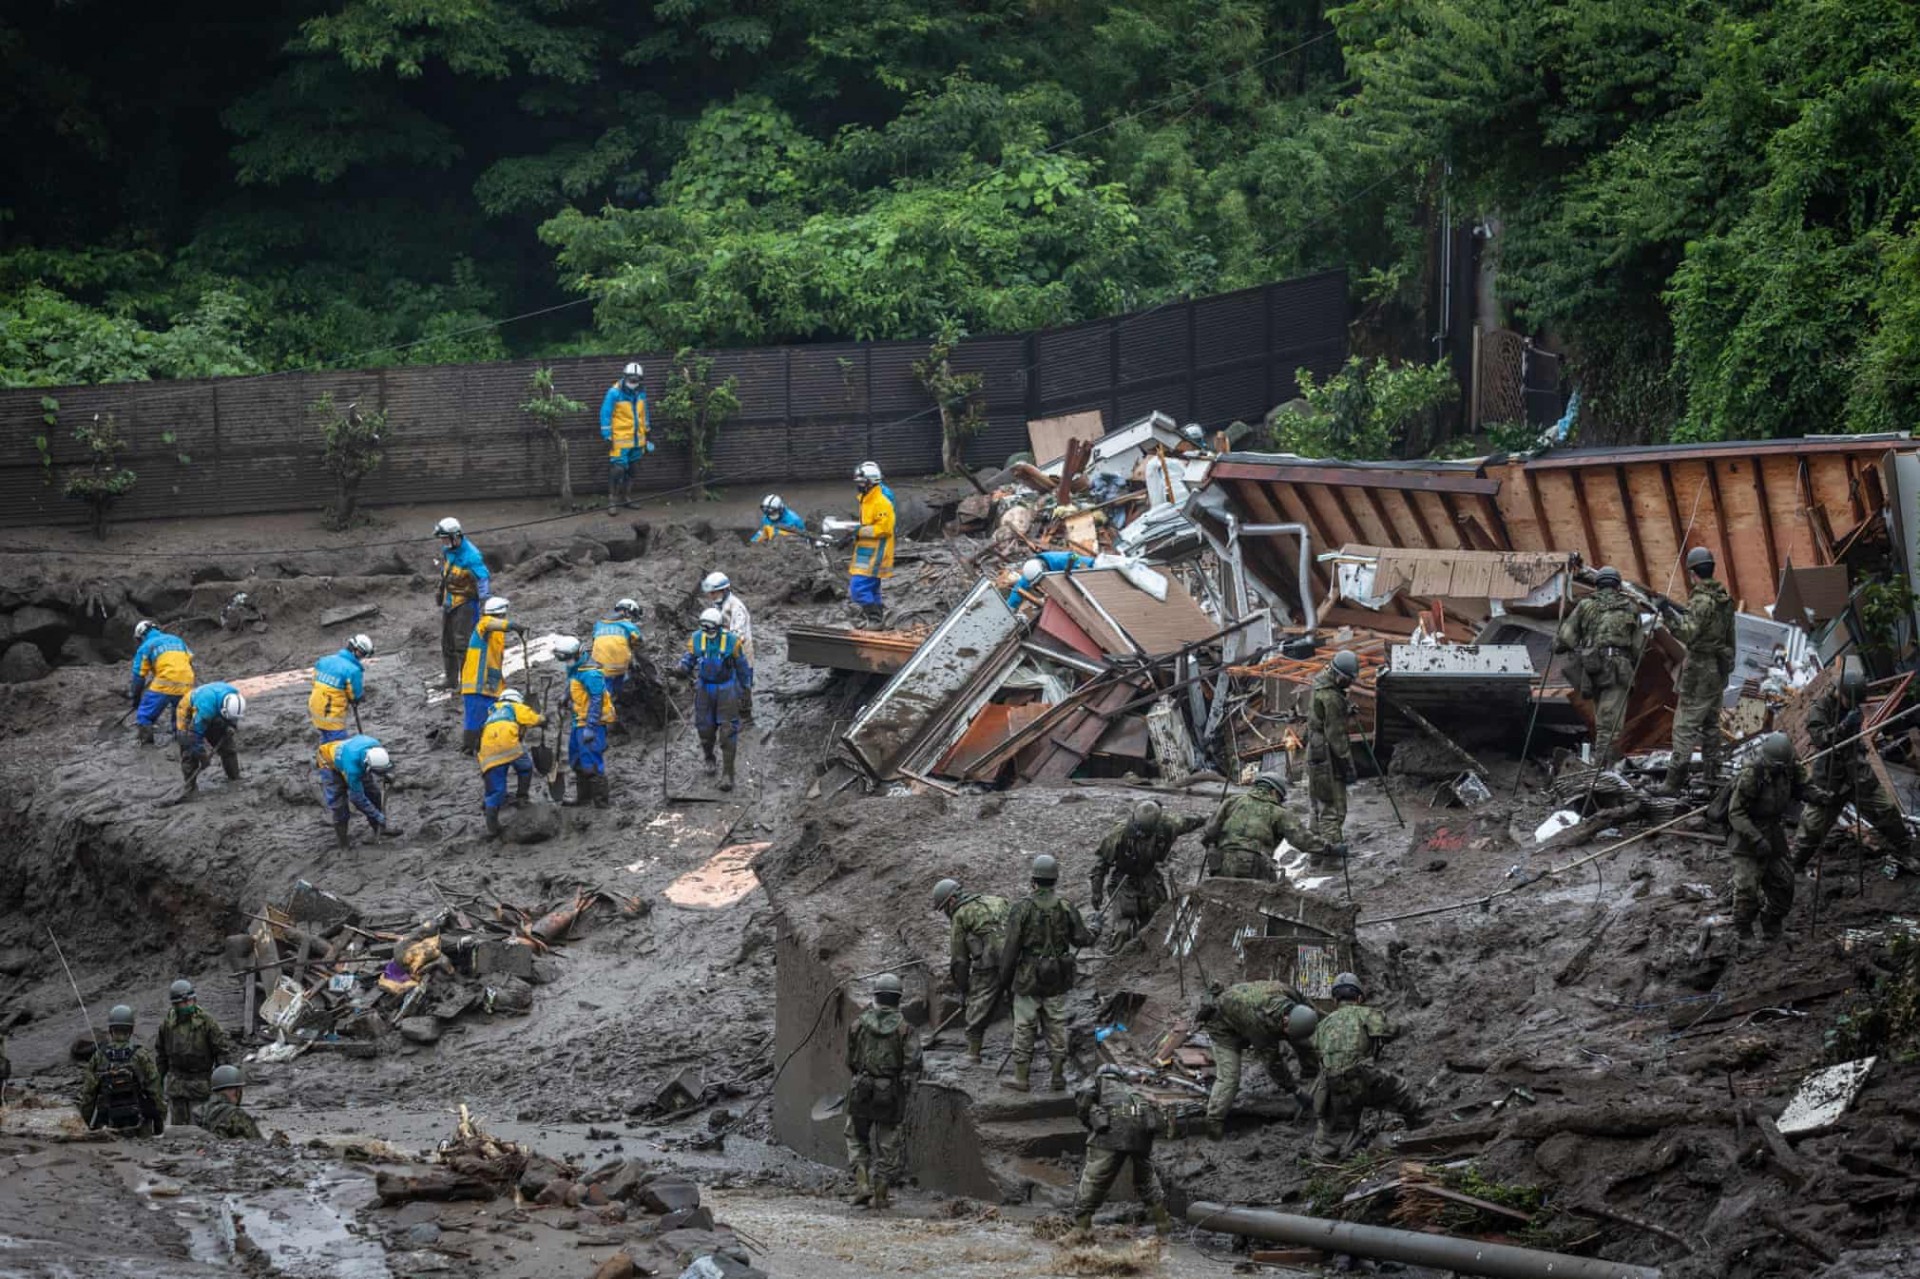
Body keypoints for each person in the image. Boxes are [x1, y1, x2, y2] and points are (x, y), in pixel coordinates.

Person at [1793, 668, 1918, 873]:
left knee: (1886, 809)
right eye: (1850, 701)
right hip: (1830, 779)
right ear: (1840, 693)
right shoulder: (1820, 709)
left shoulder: (1854, 709)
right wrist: (1842, 727)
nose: (1853, 706)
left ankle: (1905, 851)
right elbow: (1821, 740)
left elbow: (1856, 740)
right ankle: (1794, 866)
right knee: (1813, 827)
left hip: (1858, 775)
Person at [995, 854, 1093, 1093]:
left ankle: (1021, 1078)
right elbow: (1082, 938)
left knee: (1025, 1027)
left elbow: (1010, 950)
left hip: (1028, 979)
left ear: (1033, 880)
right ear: (1055, 880)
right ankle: (1058, 1077)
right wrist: (1096, 929)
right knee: (1057, 1025)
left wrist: (1004, 982)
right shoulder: (1066, 906)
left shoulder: (1022, 908)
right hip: (1057, 979)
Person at [1311, 973, 1422, 1158]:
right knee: (1402, 1091)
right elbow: (1393, 1031)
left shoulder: (1323, 1025)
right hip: (1363, 1078)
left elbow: (1317, 1052)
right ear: (1360, 998)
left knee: (1335, 1132)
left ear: (1335, 1000)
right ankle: (1419, 1129)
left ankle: (1326, 1160)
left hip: (1335, 1086)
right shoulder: (1367, 1014)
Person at [1657, 547, 1736, 794]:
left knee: (1684, 727)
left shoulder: (1701, 600)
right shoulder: (1724, 598)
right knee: (1711, 725)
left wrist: (1667, 615)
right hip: (1717, 669)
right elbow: (1730, 636)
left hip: (1699, 672)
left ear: (1692, 573)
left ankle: (1672, 784)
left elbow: (1688, 634)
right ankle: (1713, 775)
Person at [1197, 982, 1320, 1139]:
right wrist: (1294, 1091)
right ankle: (1214, 1124)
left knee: (1302, 1041)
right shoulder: (1259, 1024)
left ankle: (1311, 1074)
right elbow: (1273, 1062)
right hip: (1222, 1028)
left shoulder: (1291, 995)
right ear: (1286, 1020)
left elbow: (1310, 1021)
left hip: (1243, 1007)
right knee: (1229, 1078)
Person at [844, 972, 921, 1211]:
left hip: (861, 1089)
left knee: (856, 1137)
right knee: (889, 1143)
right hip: (890, 1093)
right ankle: (880, 1195)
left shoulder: (858, 1024)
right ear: (898, 999)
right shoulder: (905, 1029)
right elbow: (914, 1062)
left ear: (876, 996)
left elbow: (851, 1059)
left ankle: (862, 1184)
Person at [1554, 566, 1645, 765]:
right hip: (1619, 669)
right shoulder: (1630, 607)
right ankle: (1601, 771)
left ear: (1597, 585)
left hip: (1593, 669)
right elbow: (1638, 647)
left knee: (1603, 721)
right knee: (1609, 726)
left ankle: (1603, 768)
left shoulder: (1585, 605)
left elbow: (1565, 639)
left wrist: (1556, 645)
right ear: (1617, 585)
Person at [1728, 732, 1811, 945]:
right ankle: (1744, 934)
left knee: (1784, 883)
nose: (1778, 768)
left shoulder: (1789, 767)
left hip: (1774, 833)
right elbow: (1736, 813)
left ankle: (1772, 927)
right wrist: (1756, 839)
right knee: (1747, 889)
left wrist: (1819, 795)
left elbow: (1803, 788)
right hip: (1748, 835)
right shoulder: (1751, 775)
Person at [1090, 800, 1206, 948]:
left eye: (1144, 833)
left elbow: (1190, 822)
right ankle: (1119, 952)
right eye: (1138, 830)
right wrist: (1096, 892)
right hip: (1124, 881)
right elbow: (1100, 865)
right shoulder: (1118, 835)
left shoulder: (1168, 825)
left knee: (1159, 921)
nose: (1140, 835)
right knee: (1123, 930)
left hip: (1149, 877)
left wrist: (1210, 820)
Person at [1071, 1066, 1173, 1233]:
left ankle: (1081, 1228)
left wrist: (1088, 1120)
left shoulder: (1098, 1081)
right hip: (1141, 1136)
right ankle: (1162, 1222)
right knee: (1146, 1178)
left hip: (1111, 1134)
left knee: (1094, 1179)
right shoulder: (1132, 1090)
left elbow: (1084, 1093)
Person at [1201, 771, 1340, 880]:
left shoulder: (1232, 801)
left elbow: (1209, 831)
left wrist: (1212, 846)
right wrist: (1329, 848)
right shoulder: (1279, 812)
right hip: (1254, 866)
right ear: (1273, 792)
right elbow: (1302, 840)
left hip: (1222, 865)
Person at [932, 878, 1011, 1063]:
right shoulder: (998, 900)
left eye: (944, 908)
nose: (946, 913)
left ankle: (973, 1053)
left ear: (951, 901)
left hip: (988, 967)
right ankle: (1023, 1053)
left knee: (977, 1008)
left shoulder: (960, 915)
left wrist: (964, 988)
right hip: (1017, 960)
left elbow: (959, 960)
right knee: (1021, 1005)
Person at [675, 607, 751, 792]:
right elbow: (689, 657)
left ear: (719, 626)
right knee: (705, 729)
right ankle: (709, 757)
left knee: (728, 731)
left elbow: (742, 667)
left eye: (711, 629)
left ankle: (728, 774)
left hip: (726, 688)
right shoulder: (696, 638)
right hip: (704, 688)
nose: (708, 633)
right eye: (705, 629)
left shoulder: (732, 642)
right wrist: (682, 668)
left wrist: (745, 690)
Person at [155, 979, 233, 1127]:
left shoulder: (207, 1022)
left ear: (194, 1000)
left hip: (201, 1083)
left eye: (189, 1001)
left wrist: (222, 1086)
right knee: (178, 1129)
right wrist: (157, 1084)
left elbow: (222, 1053)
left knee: (200, 1127)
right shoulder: (167, 1025)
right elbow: (161, 1056)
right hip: (176, 1084)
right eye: (182, 1003)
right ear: (175, 1005)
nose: (186, 1005)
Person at [77, 1005, 163, 1135]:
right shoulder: (141, 1055)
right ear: (131, 1029)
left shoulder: (99, 1056)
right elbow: (154, 1090)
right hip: (138, 1123)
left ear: (110, 1029)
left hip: (106, 1123)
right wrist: (159, 1120)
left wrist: (88, 1122)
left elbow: (88, 1095)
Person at [1307, 650, 1360, 845]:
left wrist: (1344, 708)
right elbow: (1337, 738)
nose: (1350, 683)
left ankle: (1315, 853)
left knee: (1317, 805)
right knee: (1333, 809)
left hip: (1314, 748)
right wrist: (1348, 767)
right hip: (1328, 754)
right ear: (1339, 676)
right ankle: (1332, 859)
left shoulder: (1320, 681)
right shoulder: (1331, 698)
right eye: (1348, 679)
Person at [460, 596, 524, 754]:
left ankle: (484, 744)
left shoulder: (497, 634)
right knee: (475, 717)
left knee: (489, 715)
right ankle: (470, 747)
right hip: (476, 682)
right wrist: (511, 625)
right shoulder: (484, 624)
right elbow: (490, 623)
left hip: (490, 682)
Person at [434, 517, 491, 689]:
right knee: (447, 642)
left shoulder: (471, 556)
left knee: (463, 644)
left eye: (445, 538)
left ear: (456, 536)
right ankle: (451, 680)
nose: (443, 542)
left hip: (465, 604)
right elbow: (446, 572)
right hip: (449, 601)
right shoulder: (448, 550)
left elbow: (483, 579)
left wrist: (485, 601)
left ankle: (467, 681)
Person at [478, 688, 543, 838]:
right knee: (525, 767)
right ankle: (522, 797)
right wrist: (543, 720)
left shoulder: (492, 712)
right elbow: (532, 718)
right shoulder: (514, 707)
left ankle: (492, 826)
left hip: (487, 753)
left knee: (495, 790)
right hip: (510, 747)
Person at [557, 637, 613, 808]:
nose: (566, 662)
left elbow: (597, 700)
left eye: (567, 658)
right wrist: (566, 695)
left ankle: (602, 803)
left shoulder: (591, 673)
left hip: (590, 723)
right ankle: (584, 798)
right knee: (577, 760)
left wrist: (591, 727)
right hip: (578, 720)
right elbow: (573, 683)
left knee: (591, 763)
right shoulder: (575, 668)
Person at [317, 734, 399, 849]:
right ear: (367, 766)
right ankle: (344, 844)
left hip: (350, 754)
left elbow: (383, 765)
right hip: (328, 762)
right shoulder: (353, 770)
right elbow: (357, 798)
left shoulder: (376, 747)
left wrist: (386, 774)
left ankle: (379, 829)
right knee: (339, 804)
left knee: (374, 793)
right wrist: (376, 814)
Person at [128, 620, 195, 745]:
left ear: (141, 636)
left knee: (144, 715)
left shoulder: (146, 646)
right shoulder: (177, 640)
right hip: (187, 681)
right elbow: (189, 662)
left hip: (166, 681)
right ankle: (180, 738)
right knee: (180, 711)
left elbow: (139, 677)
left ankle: (147, 745)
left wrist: (136, 699)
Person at [848, 461, 896, 629]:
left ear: (871, 481)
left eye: (862, 482)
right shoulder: (866, 500)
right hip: (865, 549)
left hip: (877, 550)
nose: (859, 486)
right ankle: (877, 621)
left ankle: (875, 619)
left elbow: (884, 528)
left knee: (858, 587)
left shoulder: (881, 502)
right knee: (872, 588)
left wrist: (859, 532)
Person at [176, 683, 246, 796]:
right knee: (189, 749)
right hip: (187, 710)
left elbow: (234, 716)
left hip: (213, 709)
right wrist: (203, 757)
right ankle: (190, 788)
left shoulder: (234, 696)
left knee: (228, 747)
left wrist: (231, 726)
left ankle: (234, 776)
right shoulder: (206, 710)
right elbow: (194, 735)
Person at [701, 571, 755, 719]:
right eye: (710, 593)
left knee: (743, 680)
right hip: (725, 648)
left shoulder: (737, 607)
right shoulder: (718, 605)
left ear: (724, 590)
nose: (711, 596)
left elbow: (737, 633)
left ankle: (745, 713)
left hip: (741, 648)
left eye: (714, 592)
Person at [600, 362, 651, 513]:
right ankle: (612, 501)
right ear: (625, 377)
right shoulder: (614, 393)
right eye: (631, 379)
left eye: (636, 380)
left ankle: (627, 498)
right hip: (620, 439)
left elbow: (644, 413)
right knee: (618, 469)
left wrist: (647, 429)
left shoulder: (641, 392)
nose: (633, 383)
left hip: (638, 439)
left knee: (634, 470)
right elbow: (605, 414)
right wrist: (607, 435)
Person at [310, 635, 374, 745]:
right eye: (363, 654)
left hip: (316, 707)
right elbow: (355, 696)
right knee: (338, 743)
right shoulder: (353, 670)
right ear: (357, 651)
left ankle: (323, 757)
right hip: (331, 713)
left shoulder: (324, 660)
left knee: (326, 737)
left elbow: (314, 680)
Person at [591, 600, 645, 702]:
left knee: (605, 682)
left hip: (600, 668)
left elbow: (594, 641)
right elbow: (639, 643)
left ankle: (608, 699)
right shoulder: (629, 626)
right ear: (628, 612)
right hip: (621, 667)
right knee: (621, 676)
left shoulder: (599, 624)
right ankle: (619, 696)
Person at [1005, 551, 1095, 609]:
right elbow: (1019, 589)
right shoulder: (1031, 571)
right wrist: (1009, 608)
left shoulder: (1060, 560)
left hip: (1091, 569)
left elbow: (1076, 557)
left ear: (1044, 570)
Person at [193, 1064, 262, 1140]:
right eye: (240, 1090)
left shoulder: (198, 1111)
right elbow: (259, 1142)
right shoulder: (236, 1114)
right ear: (236, 1091)